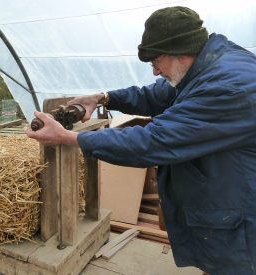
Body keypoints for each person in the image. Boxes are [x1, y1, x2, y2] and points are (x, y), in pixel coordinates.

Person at [26, 6, 256, 275]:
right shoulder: (206, 65)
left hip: (240, 219)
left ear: (178, 51)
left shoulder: (229, 85)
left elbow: (155, 141)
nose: (155, 72)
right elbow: (155, 95)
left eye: (155, 62)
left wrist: (70, 138)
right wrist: (103, 97)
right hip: (227, 200)